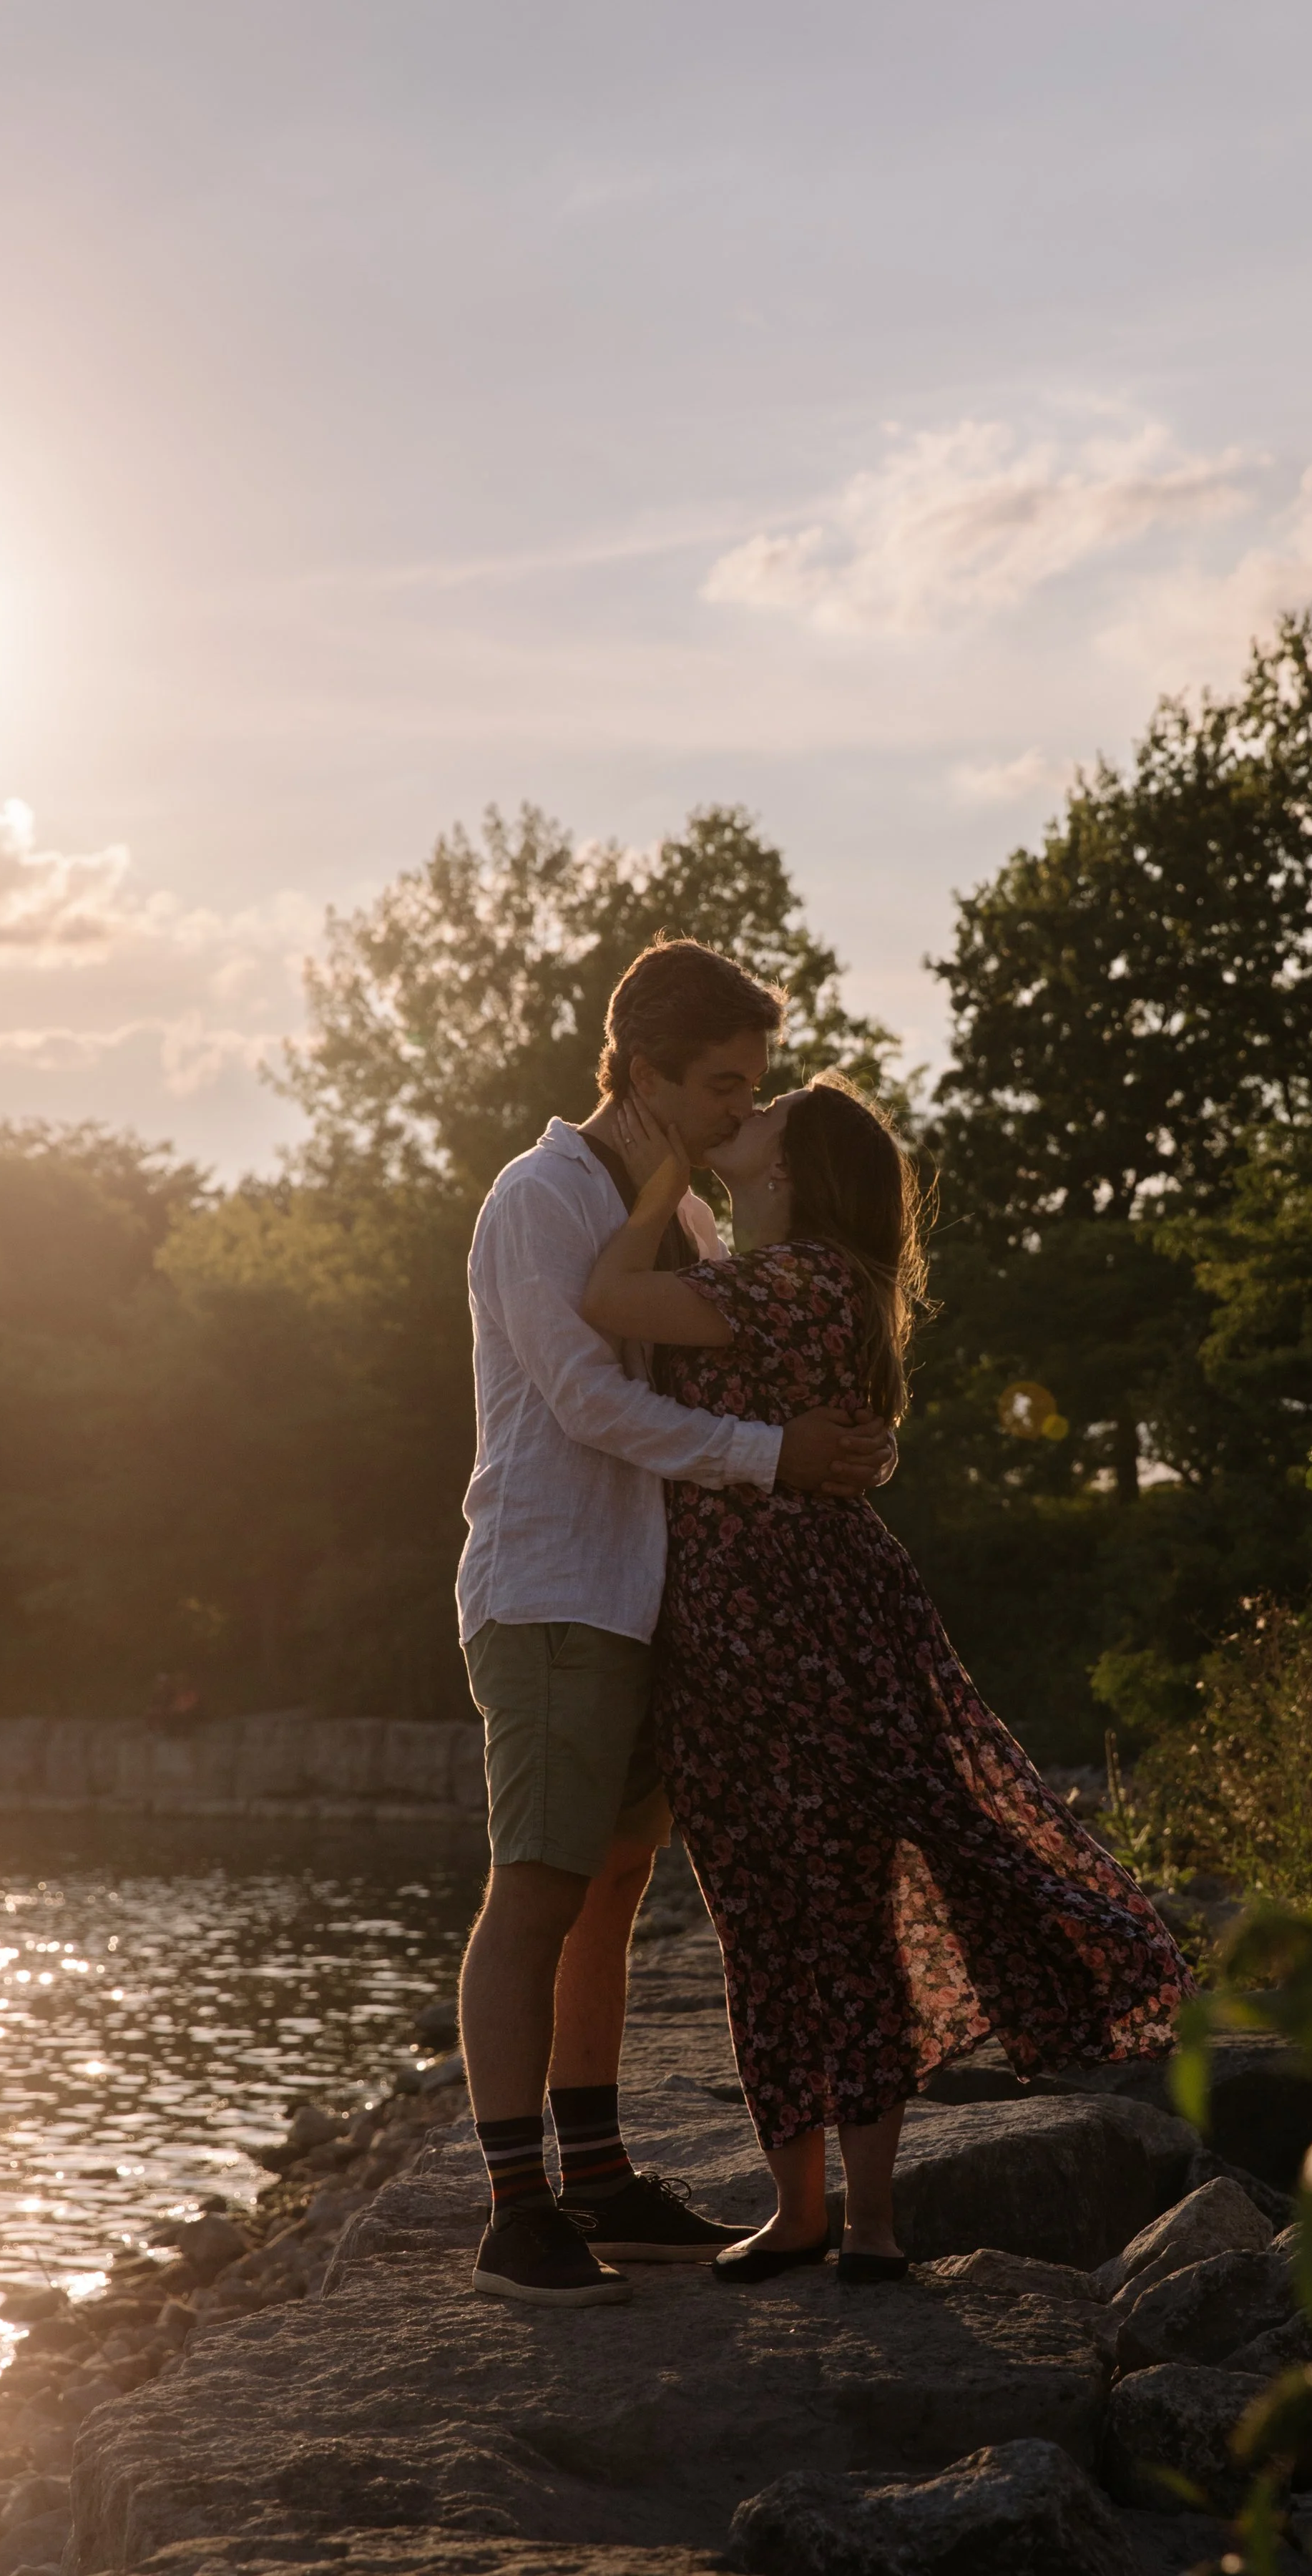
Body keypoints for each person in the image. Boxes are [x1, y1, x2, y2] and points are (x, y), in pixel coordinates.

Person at [582, 1073, 1196, 2285]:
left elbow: (604, 1295)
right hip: (775, 1624)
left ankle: (837, 2218)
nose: (737, 1117)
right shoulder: (838, 1288)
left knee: (778, 1912)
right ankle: (835, 2222)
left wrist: (653, 1170)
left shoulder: (785, 1281)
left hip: (777, 1627)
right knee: (811, 1908)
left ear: (791, 1172)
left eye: (759, 1120)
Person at [457, 940, 894, 2309]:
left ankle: (599, 2177)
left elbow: (755, 1349)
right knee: (537, 1888)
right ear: (642, 1073)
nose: (734, 1112)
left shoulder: (685, 1222)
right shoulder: (537, 1198)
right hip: (553, 1590)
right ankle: (516, 2212)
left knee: (613, 1892)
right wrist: (778, 1453)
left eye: (748, 1085)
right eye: (719, 1084)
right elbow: (589, 1401)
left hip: (652, 1604)